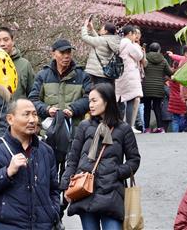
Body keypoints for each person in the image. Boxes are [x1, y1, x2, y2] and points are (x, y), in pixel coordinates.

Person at [60, 83, 141, 230]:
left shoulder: (123, 129)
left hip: (111, 193)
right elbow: (73, 158)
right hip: (84, 190)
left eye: (94, 100)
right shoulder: (84, 126)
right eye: (89, 101)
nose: (90, 105)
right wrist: (66, 184)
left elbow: (134, 160)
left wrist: (116, 172)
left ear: (107, 101)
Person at [0, 98, 61, 230]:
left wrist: (53, 212)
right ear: (10, 119)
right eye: (26, 114)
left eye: (35, 114)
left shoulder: (46, 151)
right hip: (5, 225)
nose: (32, 120)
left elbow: (54, 189)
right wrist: (6, 173)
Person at [29, 38, 93, 131]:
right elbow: (33, 100)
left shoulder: (82, 76)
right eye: (62, 53)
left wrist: (73, 109)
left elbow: (89, 98)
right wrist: (47, 109)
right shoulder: (43, 75)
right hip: (48, 129)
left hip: (75, 129)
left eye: (69, 52)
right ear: (53, 54)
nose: (66, 56)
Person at [0, 26, 35, 100]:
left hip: (19, 109)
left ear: (13, 41)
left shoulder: (24, 64)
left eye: (6, 40)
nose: (2, 44)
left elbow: (33, 94)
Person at [115, 26, 144, 133]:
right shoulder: (128, 43)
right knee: (131, 99)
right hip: (130, 75)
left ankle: (120, 125)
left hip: (121, 75)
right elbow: (139, 56)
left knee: (121, 100)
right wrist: (136, 46)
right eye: (134, 34)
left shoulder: (119, 43)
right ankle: (129, 126)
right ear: (130, 33)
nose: (135, 36)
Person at [79, 19, 122, 87]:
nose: (100, 29)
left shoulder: (101, 40)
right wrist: (92, 29)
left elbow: (85, 37)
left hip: (95, 73)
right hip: (106, 74)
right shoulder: (113, 40)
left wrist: (85, 26)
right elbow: (99, 40)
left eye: (102, 28)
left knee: (93, 93)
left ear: (105, 31)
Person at [141, 42, 172, 133]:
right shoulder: (163, 60)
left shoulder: (144, 58)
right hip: (159, 87)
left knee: (146, 108)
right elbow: (170, 72)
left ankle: (146, 128)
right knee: (157, 107)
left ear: (150, 49)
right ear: (159, 50)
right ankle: (160, 128)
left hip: (146, 87)